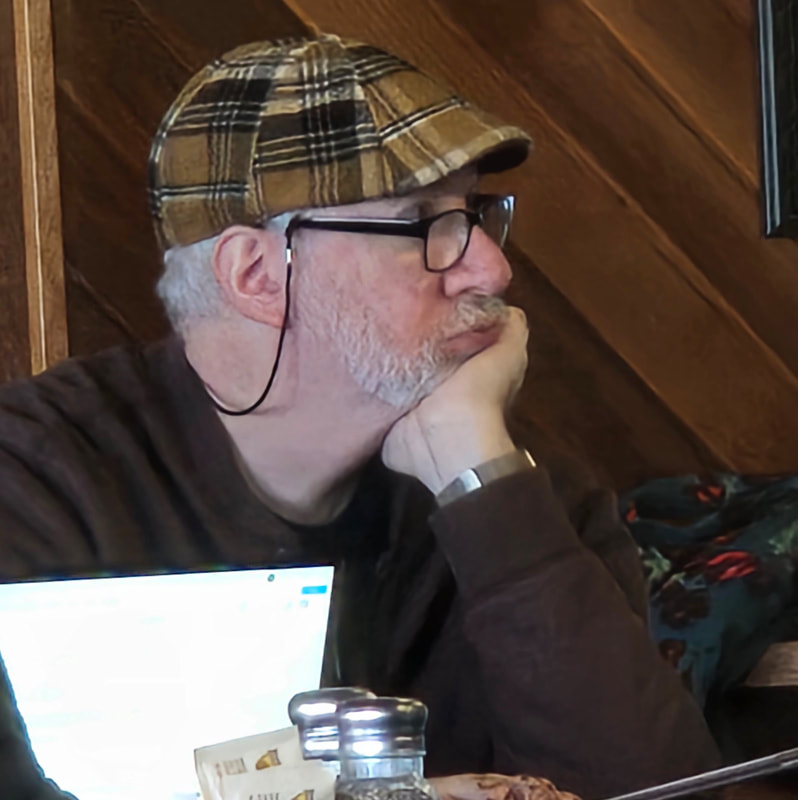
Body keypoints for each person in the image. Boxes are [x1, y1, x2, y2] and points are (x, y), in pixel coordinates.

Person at [0, 34, 718, 800]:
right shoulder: (35, 482)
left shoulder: (517, 495)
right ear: (258, 275)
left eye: (476, 214)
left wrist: (481, 480)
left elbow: (661, 793)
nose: (492, 268)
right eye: (424, 223)